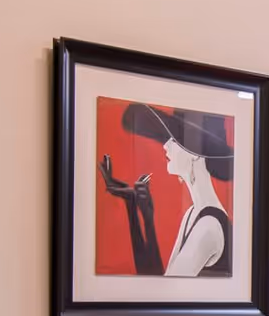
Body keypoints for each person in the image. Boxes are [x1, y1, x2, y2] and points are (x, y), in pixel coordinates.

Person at [99, 102, 233, 278]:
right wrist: (136, 210)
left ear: (195, 153)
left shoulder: (208, 226)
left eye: (173, 139)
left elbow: (166, 290)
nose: (165, 146)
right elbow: (159, 280)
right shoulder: (193, 214)